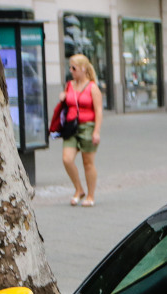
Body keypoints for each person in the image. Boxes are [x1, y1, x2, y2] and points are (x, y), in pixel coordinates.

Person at [59, 54, 103, 207]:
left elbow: (98, 111)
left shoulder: (93, 88)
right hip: (71, 127)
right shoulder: (69, 85)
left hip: (87, 127)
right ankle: (79, 189)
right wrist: (63, 97)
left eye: (74, 68)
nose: (71, 70)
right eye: (70, 67)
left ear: (83, 69)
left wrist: (96, 131)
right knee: (67, 159)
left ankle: (90, 195)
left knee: (88, 163)